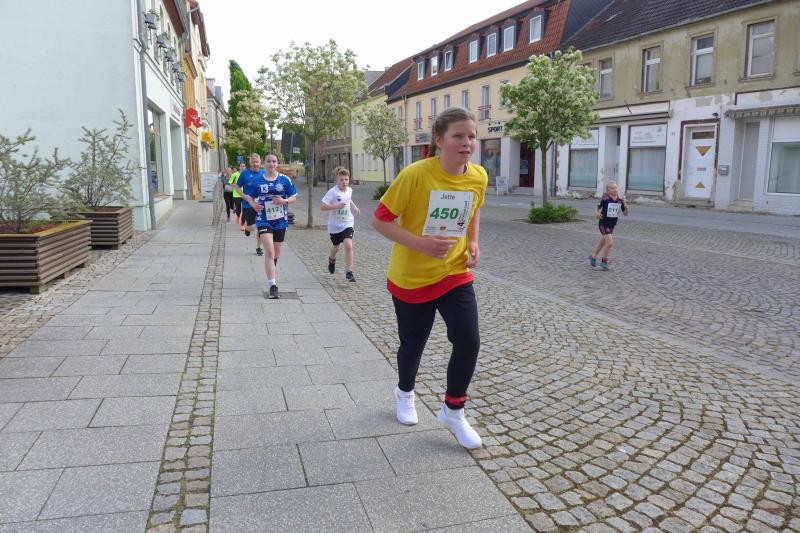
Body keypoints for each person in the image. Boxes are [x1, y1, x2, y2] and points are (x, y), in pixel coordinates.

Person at [371, 107, 486, 449]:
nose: (467, 143)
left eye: (471, 136)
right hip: (412, 277)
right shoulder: (415, 175)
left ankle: (454, 410)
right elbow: (379, 220)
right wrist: (422, 244)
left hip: (454, 272)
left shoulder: (478, 176)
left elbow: (474, 209)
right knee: (413, 345)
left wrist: (474, 242)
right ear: (438, 140)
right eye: (458, 136)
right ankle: (405, 392)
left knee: (468, 341)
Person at [239, 153, 298, 298]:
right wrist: (254, 205)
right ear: (264, 164)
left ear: (277, 163)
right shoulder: (257, 181)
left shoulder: (284, 180)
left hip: (280, 220)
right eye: (269, 161)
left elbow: (293, 197)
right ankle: (273, 285)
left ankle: (271, 267)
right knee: (270, 252)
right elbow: (249, 197)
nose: (271, 164)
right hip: (263, 219)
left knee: (276, 254)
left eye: (274, 161)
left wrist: (284, 201)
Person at [321, 166, 361, 282]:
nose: (344, 182)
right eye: (341, 180)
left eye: (346, 179)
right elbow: (322, 206)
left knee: (348, 245)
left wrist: (355, 207)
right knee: (336, 247)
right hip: (334, 225)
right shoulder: (332, 192)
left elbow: (349, 199)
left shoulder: (349, 190)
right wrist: (335, 206)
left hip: (347, 222)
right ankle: (331, 260)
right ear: (336, 180)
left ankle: (349, 271)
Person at [590, 180, 629, 270]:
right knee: (610, 243)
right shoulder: (605, 199)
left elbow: (625, 214)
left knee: (602, 242)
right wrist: (597, 213)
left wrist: (626, 207)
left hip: (612, 224)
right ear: (608, 190)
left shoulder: (620, 200)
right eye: (612, 188)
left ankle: (593, 256)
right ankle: (604, 261)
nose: (615, 190)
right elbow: (597, 206)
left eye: (616, 188)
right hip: (603, 223)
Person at [234, 155, 265, 256]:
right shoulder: (244, 173)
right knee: (252, 227)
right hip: (248, 205)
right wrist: (244, 196)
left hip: (261, 205)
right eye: (253, 162)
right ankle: (247, 229)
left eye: (257, 162)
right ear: (250, 163)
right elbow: (237, 187)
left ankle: (259, 247)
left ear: (260, 162)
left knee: (261, 226)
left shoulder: (264, 173)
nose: (255, 164)